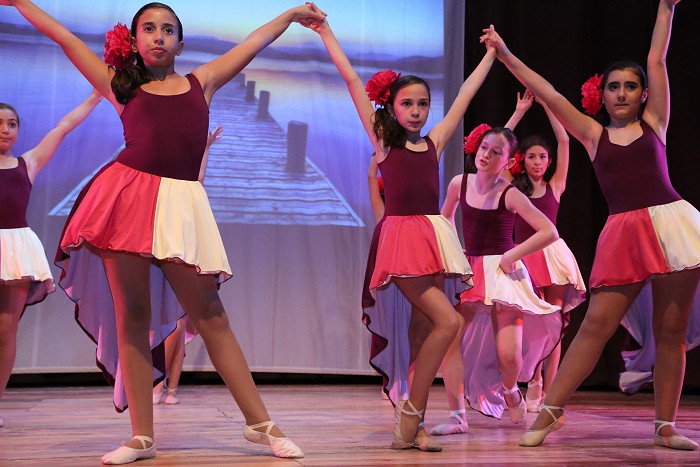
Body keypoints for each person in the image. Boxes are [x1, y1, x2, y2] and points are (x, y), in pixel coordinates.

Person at [2, 1, 326, 463]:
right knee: (132, 317)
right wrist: (20, 3)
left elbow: (253, 43)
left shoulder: (202, 81)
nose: (158, 36)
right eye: (149, 29)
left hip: (180, 205)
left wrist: (290, 16)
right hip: (126, 200)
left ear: (180, 42)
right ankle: (142, 437)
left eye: (168, 30)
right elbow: (66, 38)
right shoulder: (121, 86)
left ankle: (261, 424)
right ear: (134, 40)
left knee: (211, 315)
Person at [482, 0, 700, 450]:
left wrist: (665, 8)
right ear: (603, 95)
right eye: (613, 87)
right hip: (625, 234)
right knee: (595, 326)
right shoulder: (593, 134)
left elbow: (657, 59)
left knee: (671, 332)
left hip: (674, 229)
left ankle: (665, 426)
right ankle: (548, 413)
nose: (621, 94)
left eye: (630, 86)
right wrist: (505, 55)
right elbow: (548, 92)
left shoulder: (655, 124)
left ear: (643, 94)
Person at [306, 12, 494, 452]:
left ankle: (414, 426)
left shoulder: (434, 142)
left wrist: (492, 55)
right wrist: (326, 32)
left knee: (423, 335)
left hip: (433, 240)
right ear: (392, 107)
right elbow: (353, 81)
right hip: (401, 243)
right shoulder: (384, 143)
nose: (416, 111)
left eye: (422, 104)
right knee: (449, 322)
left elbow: (465, 95)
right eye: (407, 104)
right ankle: (409, 418)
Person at [440, 126, 561, 425]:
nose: (486, 155)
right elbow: (445, 219)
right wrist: (455, 252)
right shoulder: (459, 183)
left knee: (508, 355)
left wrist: (512, 255)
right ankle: (457, 416)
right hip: (471, 272)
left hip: (504, 275)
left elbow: (549, 231)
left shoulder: (510, 194)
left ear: (508, 162)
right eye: (484, 148)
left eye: (496, 152)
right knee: (448, 337)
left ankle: (510, 390)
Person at [0, 91, 102, 428]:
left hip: (14, 250)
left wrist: (96, 95)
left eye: (11, 124)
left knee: (6, 330)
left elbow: (63, 127)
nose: (5, 130)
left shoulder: (26, 164)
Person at [504, 91, 586, 412]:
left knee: (554, 325)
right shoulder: (512, 186)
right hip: (524, 259)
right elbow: (498, 147)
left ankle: (547, 390)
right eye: (531, 156)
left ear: (549, 161)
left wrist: (549, 105)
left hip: (553, 259)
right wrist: (519, 112)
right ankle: (531, 379)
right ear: (522, 160)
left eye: (542, 157)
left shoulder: (555, 186)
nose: (538, 162)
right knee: (528, 324)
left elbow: (564, 141)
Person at [152, 124, 223, 406]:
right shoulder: (162, 197)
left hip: (188, 264)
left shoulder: (188, 195)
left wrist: (205, 148)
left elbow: (199, 179)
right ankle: (162, 386)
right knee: (170, 328)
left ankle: (166, 388)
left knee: (179, 327)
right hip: (165, 263)